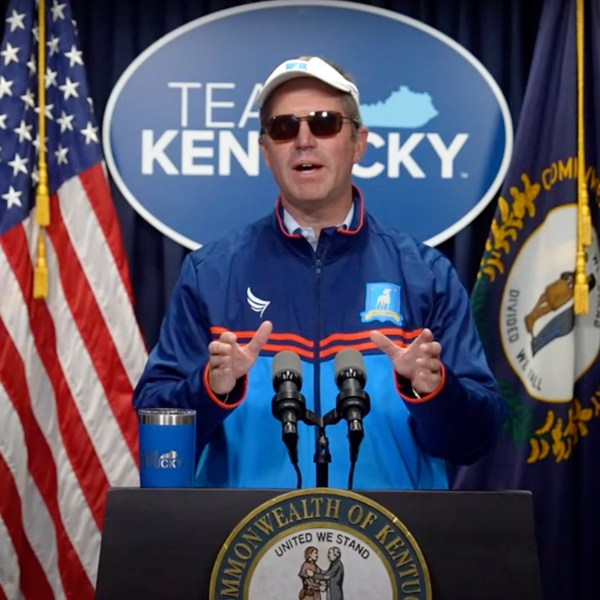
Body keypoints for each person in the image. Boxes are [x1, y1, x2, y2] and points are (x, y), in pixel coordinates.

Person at [133, 55, 505, 489]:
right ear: (265, 151)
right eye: (284, 128)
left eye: (325, 123)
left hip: (392, 545)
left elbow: (476, 441)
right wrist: (211, 389)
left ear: (359, 142)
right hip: (245, 546)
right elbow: (156, 435)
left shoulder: (426, 276)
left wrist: (434, 390)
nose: (304, 140)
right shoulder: (210, 274)